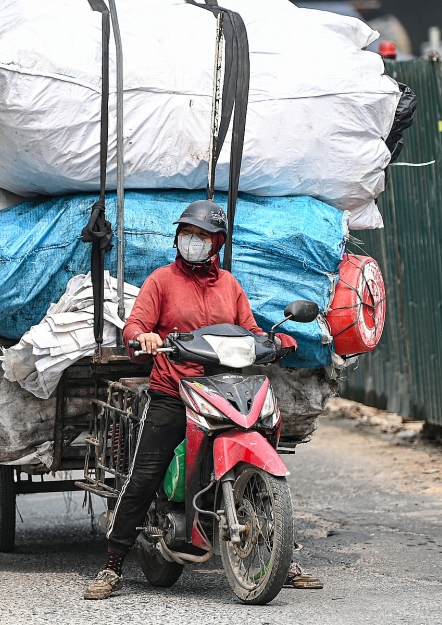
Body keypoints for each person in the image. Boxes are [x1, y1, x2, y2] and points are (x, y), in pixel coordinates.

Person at [83, 199, 310, 600]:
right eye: (188, 233)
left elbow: (250, 330)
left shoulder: (230, 286)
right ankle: (114, 564)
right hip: (174, 392)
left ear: (217, 243)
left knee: (263, 443)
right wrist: (144, 337)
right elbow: (136, 325)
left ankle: (280, 559)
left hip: (226, 389)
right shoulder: (161, 281)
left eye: (202, 236)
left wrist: (275, 341)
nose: (193, 241)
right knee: (145, 474)